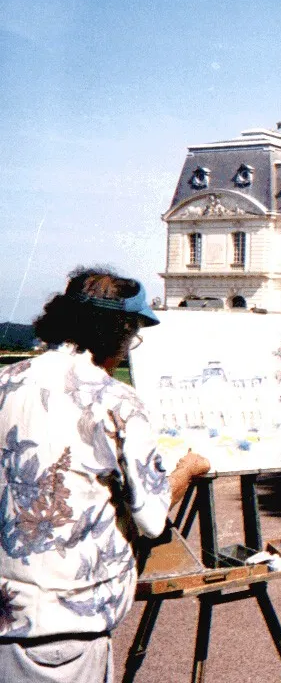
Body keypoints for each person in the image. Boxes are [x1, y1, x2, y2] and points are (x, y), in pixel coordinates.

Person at [0, 267, 210, 682]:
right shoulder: (116, 400)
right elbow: (151, 519)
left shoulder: (5, 381)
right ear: (117, 332)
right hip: (69, 625)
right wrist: (187, 469)